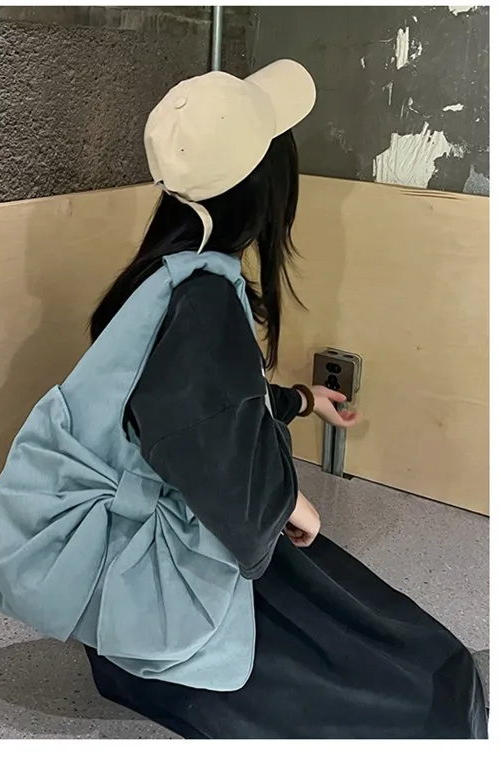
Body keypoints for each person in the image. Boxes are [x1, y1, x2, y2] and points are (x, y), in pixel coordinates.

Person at [81, 61, 488, 739]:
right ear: (262, 191)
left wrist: (300, 401)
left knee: (412, 656)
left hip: (159, 555)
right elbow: (208, 453)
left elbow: (200, 404)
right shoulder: (202, 303)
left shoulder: (162, 279)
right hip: (170, 580)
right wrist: (286, 502)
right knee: (426, 699)